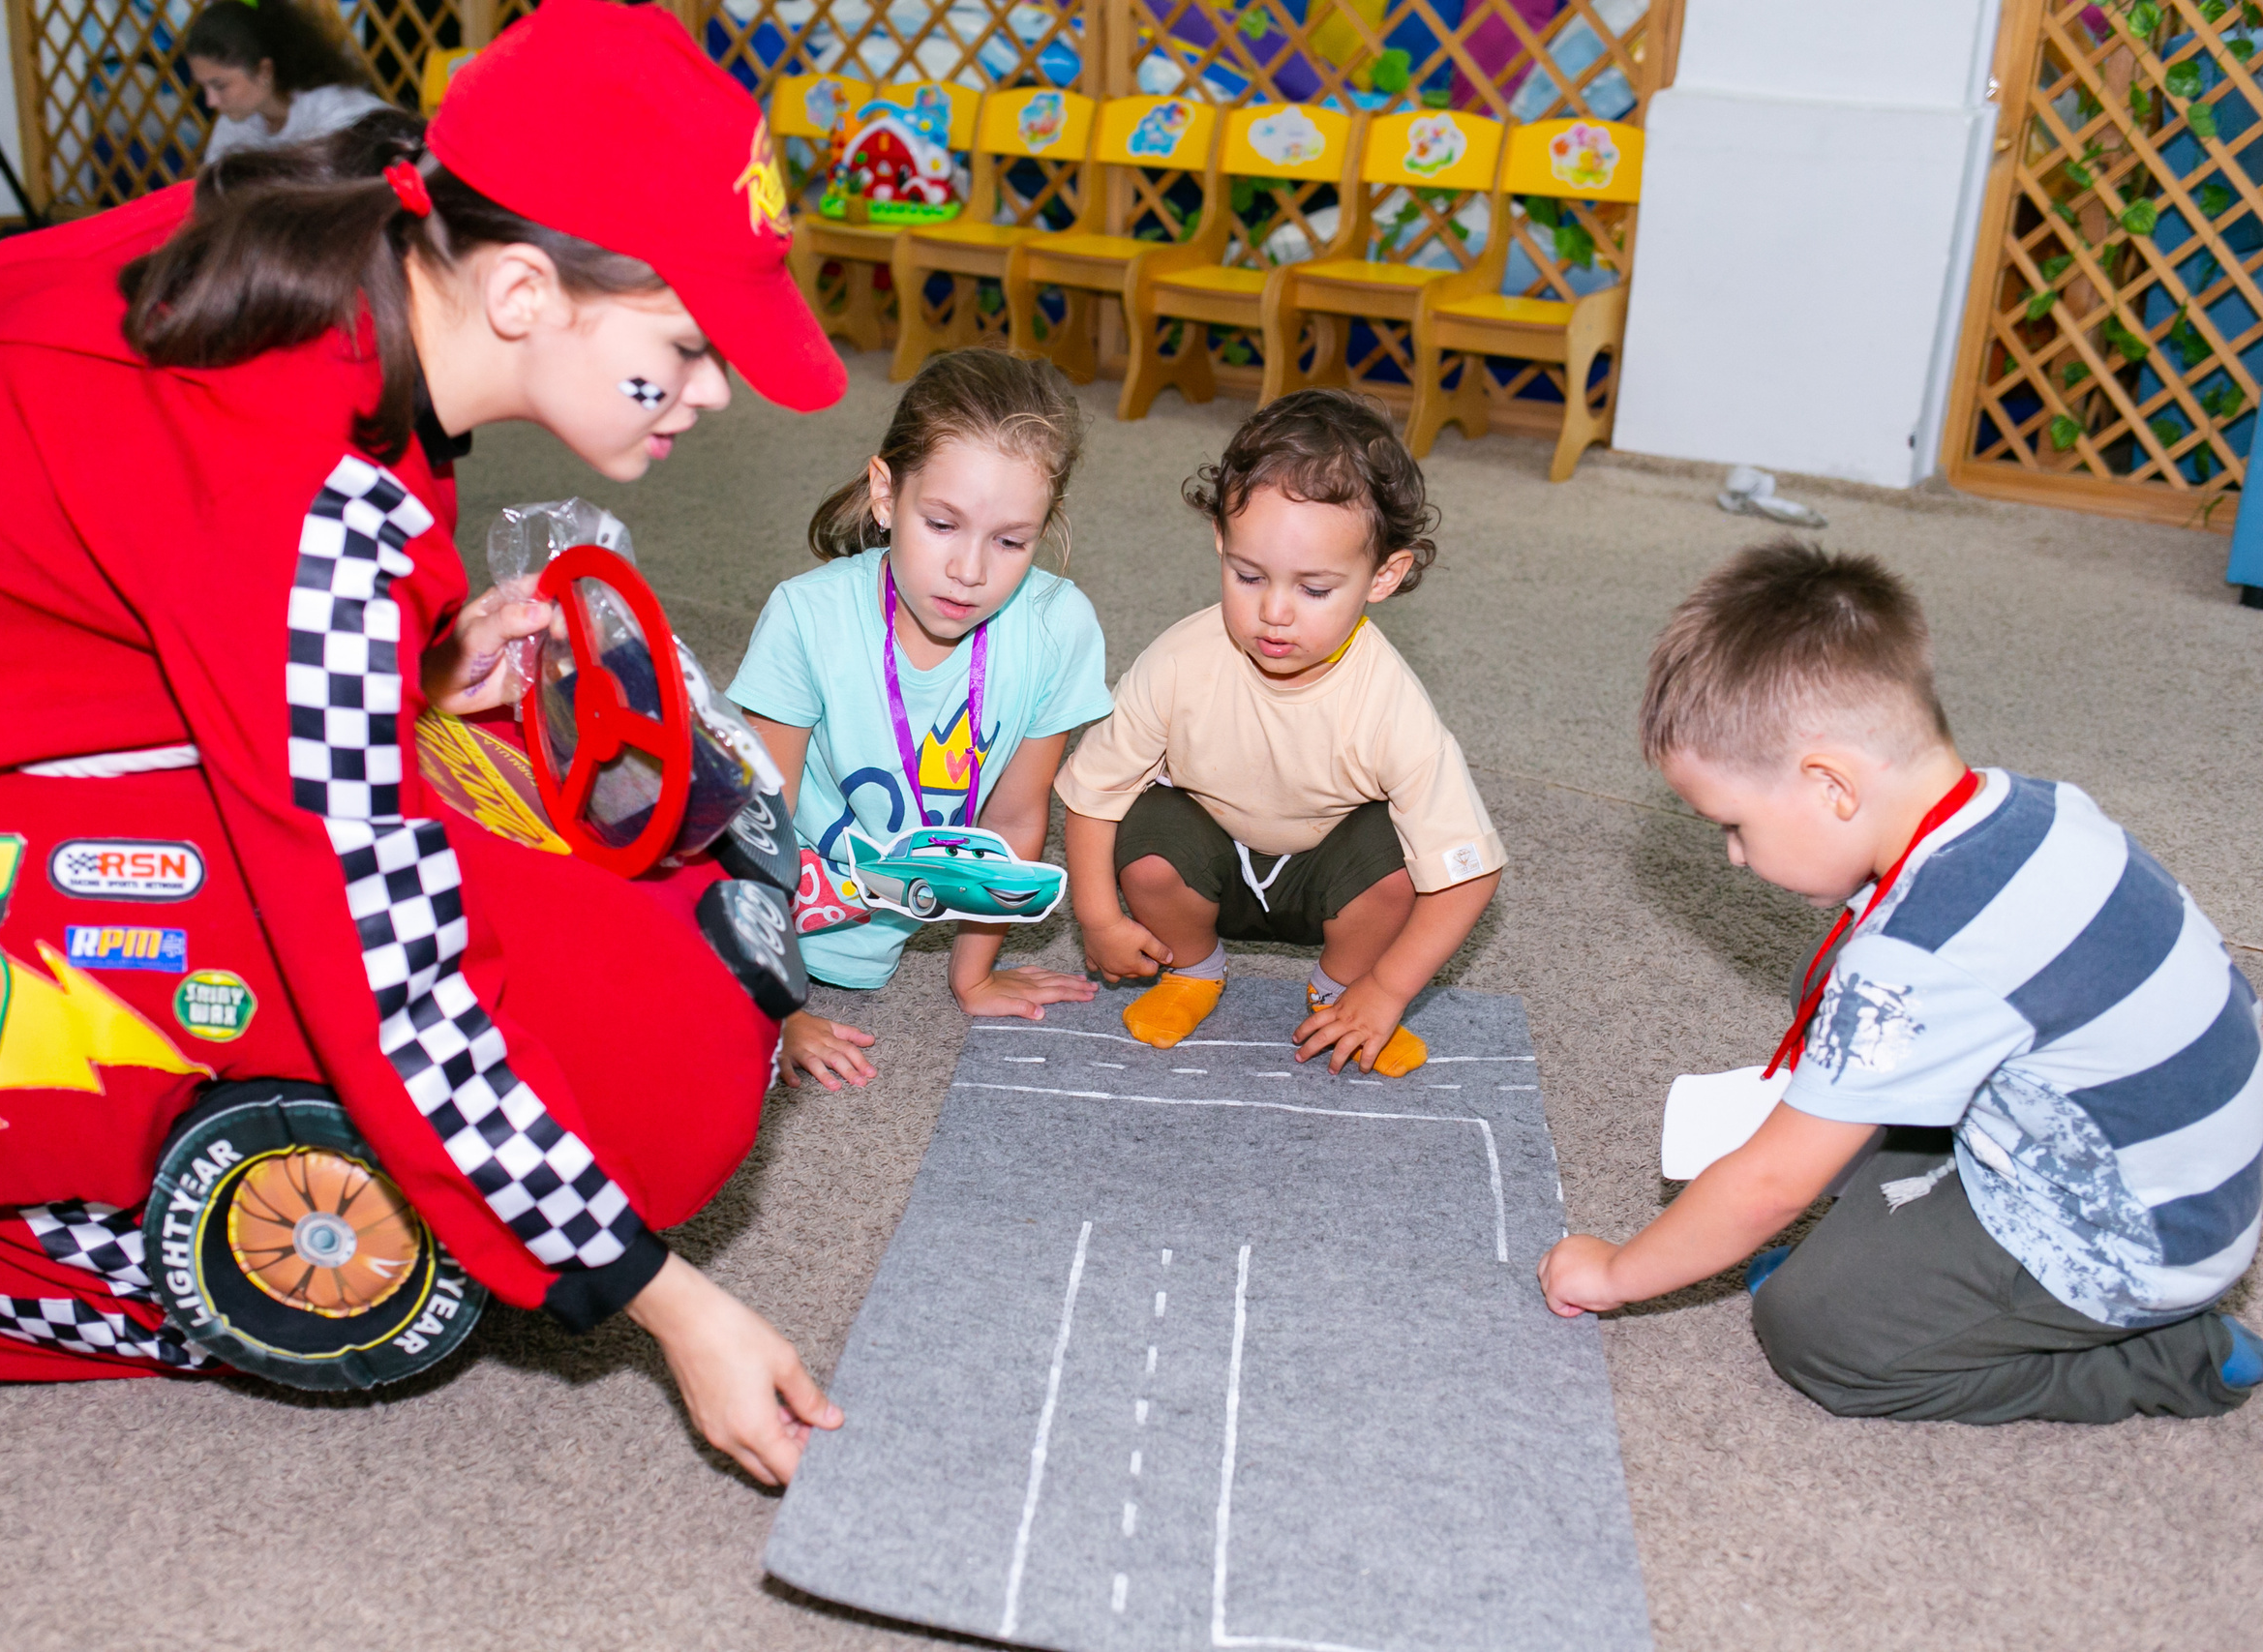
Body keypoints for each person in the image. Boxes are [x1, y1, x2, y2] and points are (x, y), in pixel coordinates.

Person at [0, 1, 848, 1487]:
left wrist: (419, 657)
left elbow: (180, 542)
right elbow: (396, 987)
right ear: (524, 291)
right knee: (373, 988)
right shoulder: (311, 509)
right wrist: (667, 1301)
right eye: (684, 347)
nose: (715, 392)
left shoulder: (352, 261)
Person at [1539, 541, 2261, 1424]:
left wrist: (1617, 1272)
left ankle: (2172, 1359)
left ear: (1832, 787)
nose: (1732, 857)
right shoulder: (2032, 805)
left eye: (1733, 824)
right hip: (2187, 1166)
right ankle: (1909, 1242)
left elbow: (1770, 1186)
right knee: (1838, 1053)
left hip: (2136, 1245)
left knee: (1816, 1327)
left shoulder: (1916, 961)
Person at [1055, 390, 1504, 1076]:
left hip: (1330, 879)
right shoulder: (1178, 662)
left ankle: (1344, 992)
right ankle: (1193, 971)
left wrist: (1388, 989)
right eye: (1248, 574)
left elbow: (1469, 872)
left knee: (1399, 866)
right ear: (1220, 540)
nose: (1274, 612)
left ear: (1383, 575)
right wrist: (1099, 918)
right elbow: (1094, 793)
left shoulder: (1391, 706)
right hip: (1210, 865)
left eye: (1314, 589)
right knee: (1145, 839)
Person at [727, 348, 1111, 1091]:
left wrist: (974, 976)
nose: (970, 570)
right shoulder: (806, 616)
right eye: (941, 523)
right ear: (885, 493)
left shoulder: (1059, 627)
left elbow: (1015, 815)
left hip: (915, 884)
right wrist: (772, 1008)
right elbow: (756, 825)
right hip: (787, 898)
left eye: (1010, 540)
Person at [188, 0, 389, 164]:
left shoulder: (341, 116)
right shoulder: (236, 124)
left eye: (220, 86)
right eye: (204, 87)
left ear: (264, 71)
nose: (210, 101)